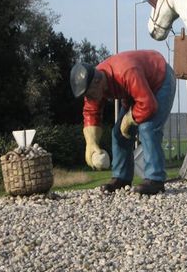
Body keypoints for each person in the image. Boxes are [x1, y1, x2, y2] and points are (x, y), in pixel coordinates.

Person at [70, 50, 176, 195]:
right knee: (118, 133)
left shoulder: (126, 72)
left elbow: (148, 105)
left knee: (148, 128)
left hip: (160, 80)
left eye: (89, 94)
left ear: (97, 81)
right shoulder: (95, 86)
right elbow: (91, 113)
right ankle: (121, 178)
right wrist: (91, 143)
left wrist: (128, 119)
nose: (89, 98)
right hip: (135, 90)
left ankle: (155, 180)